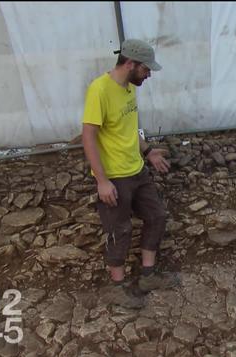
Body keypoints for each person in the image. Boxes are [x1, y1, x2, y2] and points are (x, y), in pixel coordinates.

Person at [81, 39, 180, 307]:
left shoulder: (128, 89)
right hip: (114, 176)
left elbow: (129, 129)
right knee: (119, 228)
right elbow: (88, 137)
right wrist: (102, 181)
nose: (148, 75)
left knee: (157, 215)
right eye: (146, 69)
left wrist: (148, 152)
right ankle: (116, 286)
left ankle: (147, 275)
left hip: (136, 170)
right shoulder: (99, 90)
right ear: (131, 63)